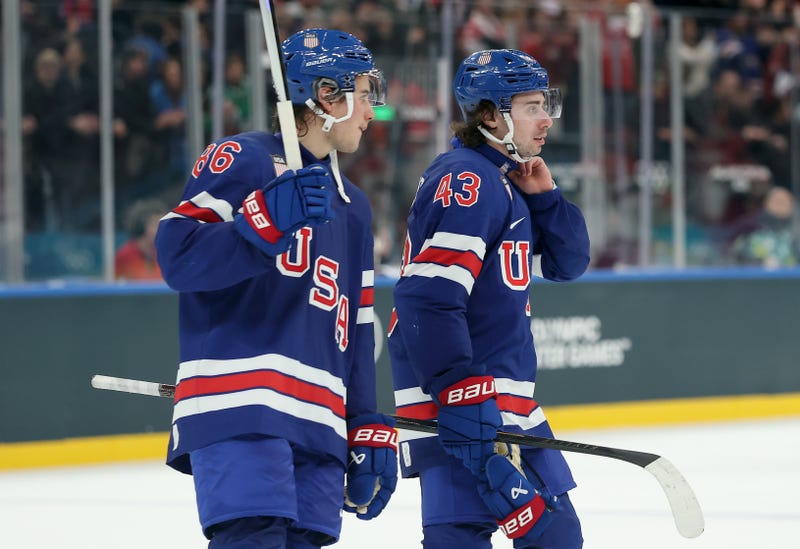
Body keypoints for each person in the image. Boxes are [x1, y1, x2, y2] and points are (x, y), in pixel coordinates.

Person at [154, 28, 398, 548]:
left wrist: (364, 421)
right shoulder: (243, 158)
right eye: (363, 92)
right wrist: (259, 224)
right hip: (243, 406)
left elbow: (354, 328)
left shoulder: (353, 207)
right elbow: (177, 257)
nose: (371, 112)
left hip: (319, 422)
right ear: (326, 95)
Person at [388, 49, 590, 548]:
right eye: (530, 106)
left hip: (498, 402)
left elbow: (569, 264)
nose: (545, 118)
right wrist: (458, 390)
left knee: (542, 536)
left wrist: (546, 197)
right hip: (469, 403)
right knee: (549, 538)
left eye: (546, 104)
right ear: (489, 114)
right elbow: (427, 298)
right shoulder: (470, 180)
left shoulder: (505, 180)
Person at [114, 198, 165, 281]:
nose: (162, 230)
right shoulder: (125, 255)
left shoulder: (164, 253)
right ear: (142, 227)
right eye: (156, 225)